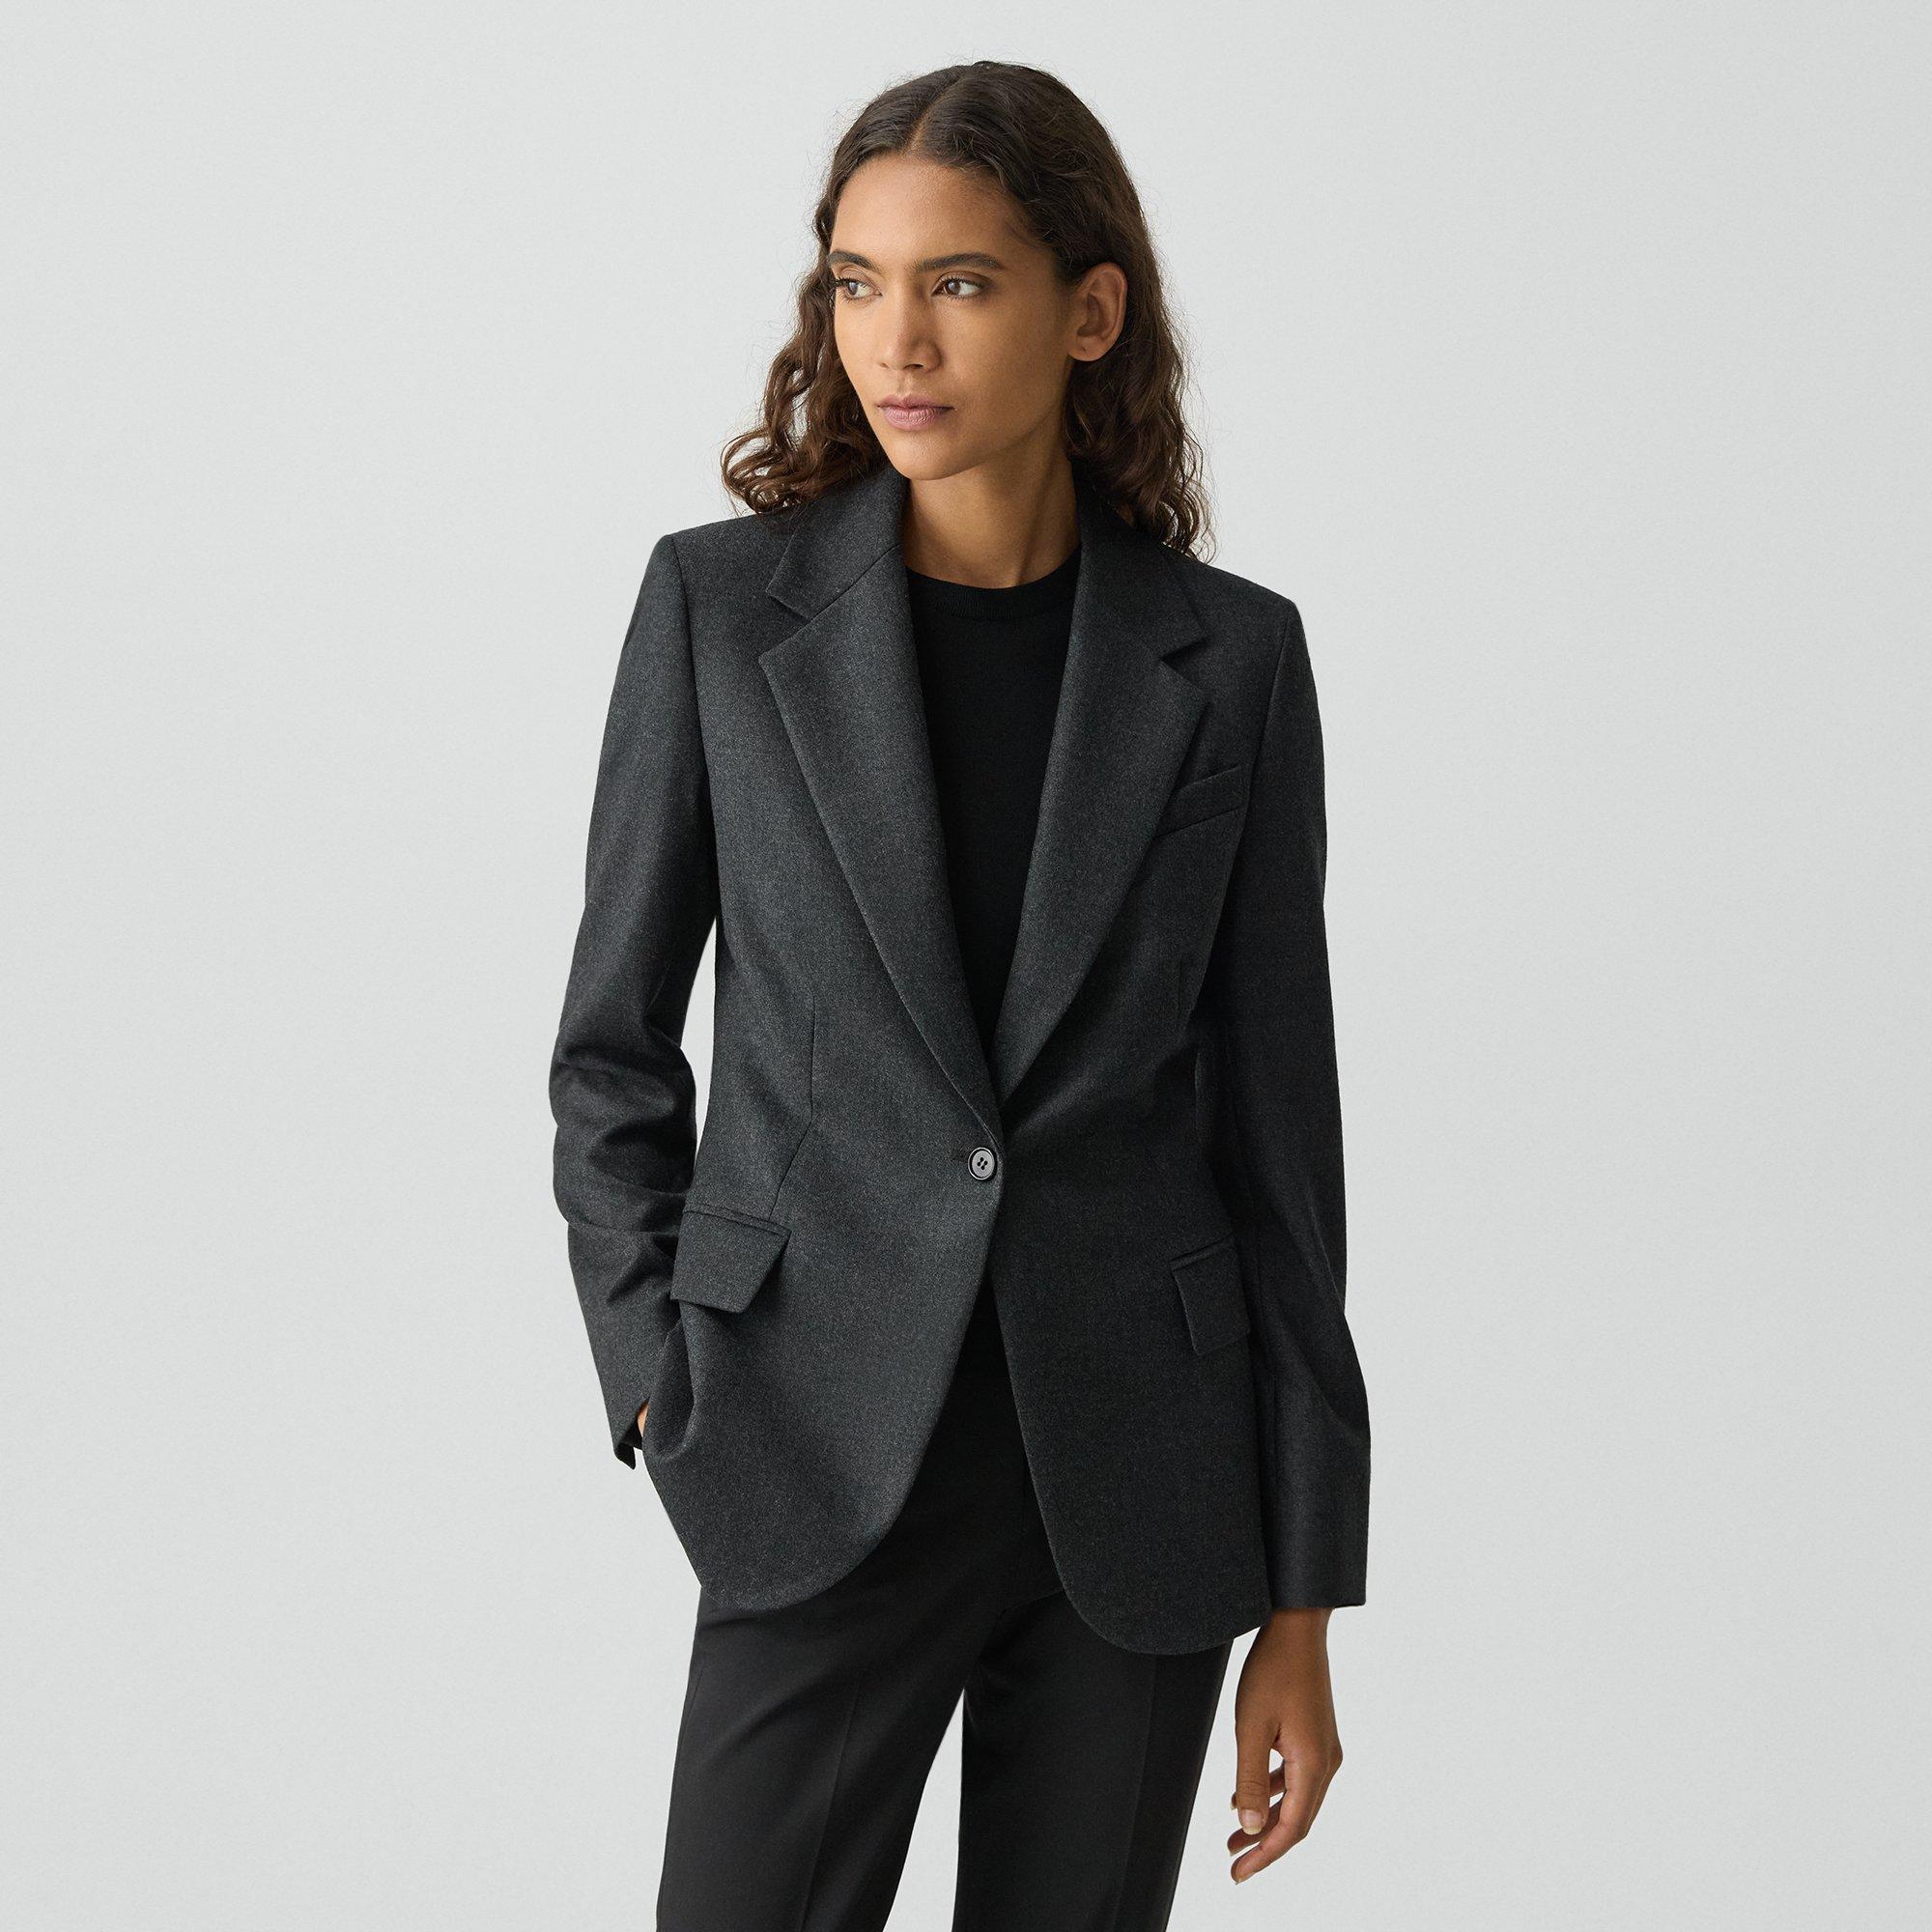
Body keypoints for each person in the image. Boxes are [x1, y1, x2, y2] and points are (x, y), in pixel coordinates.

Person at [548, 59, 1371, 1930]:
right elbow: (609, 1049)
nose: (894, 340)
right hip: (808, 1444)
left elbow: (1282, 1137)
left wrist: (1306, 1593)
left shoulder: (1231, 662)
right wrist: (657, 1375)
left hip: (1141, 1485)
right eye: (857, 282)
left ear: (1091, 311)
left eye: (961, 282)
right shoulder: (720, 615)